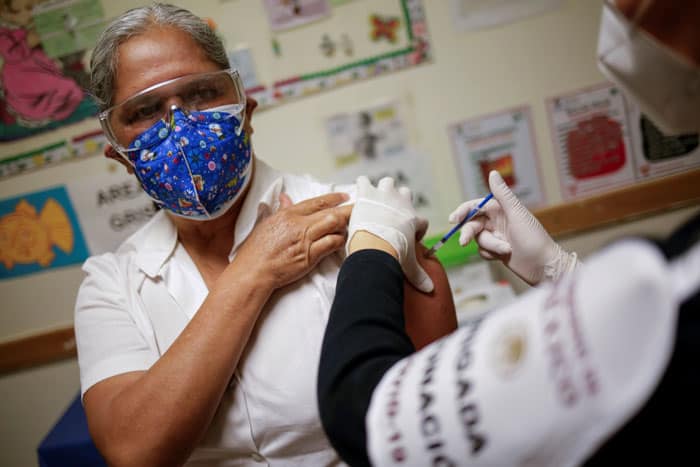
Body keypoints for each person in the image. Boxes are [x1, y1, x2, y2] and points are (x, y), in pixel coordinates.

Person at [317, 0, 700, 465]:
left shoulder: (678, 287)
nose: (618, 8)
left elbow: (362, 414)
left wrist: (372, 246)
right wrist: (560, 271)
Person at [74, 4, 457, 466]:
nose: (179, 125)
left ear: (244, 110)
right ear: (120, 154)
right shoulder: (111, 284)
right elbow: (135, 451)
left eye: (200, 94)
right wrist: (253, 271)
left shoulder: (363, 226)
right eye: (145, 110)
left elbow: (434, 426)